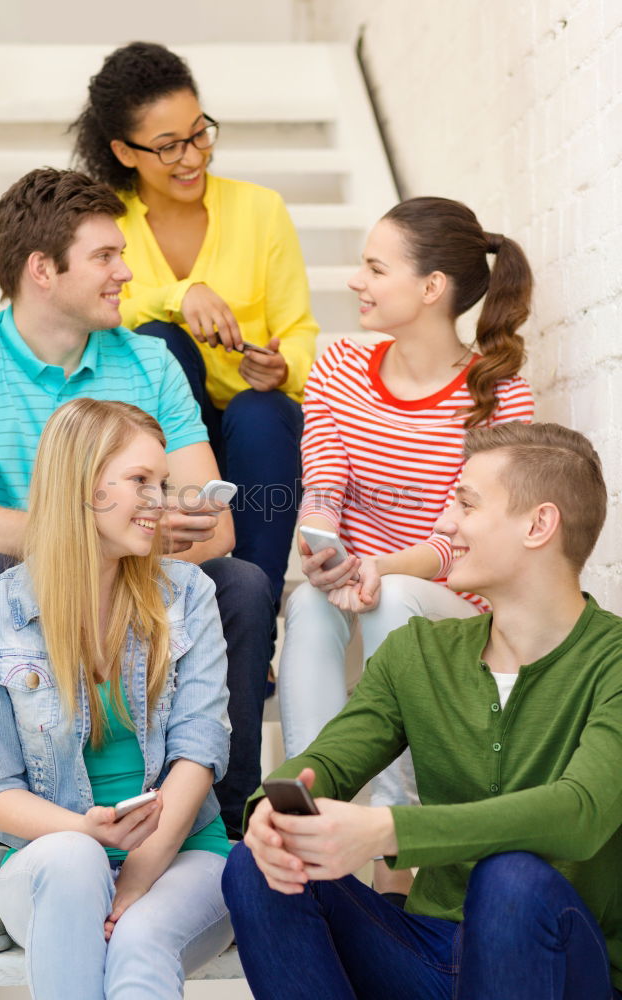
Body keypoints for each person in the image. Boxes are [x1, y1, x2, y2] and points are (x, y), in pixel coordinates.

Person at [0, 167, 274, 951]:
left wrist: (142, 526)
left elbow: (214, 524)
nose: (128, 270)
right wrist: (90, 528)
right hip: (27, 602)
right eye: (106, 255)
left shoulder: (146, 362)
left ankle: (216, 827)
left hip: (143, 586)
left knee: (240, 584)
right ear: (44, 269)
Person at [223, 421, 622, 1000]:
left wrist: (387, 829)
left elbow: (579, 812)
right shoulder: (420, 652)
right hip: (429, 954)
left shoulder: (612, 661)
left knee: (509, 879)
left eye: (465, 502)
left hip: (561, 968)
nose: (443, 522)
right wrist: (270, 809)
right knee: (257, 865)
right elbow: (327, 763)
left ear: (539, 525)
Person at [277, 196, 534, 893]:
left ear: (431, 288)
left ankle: (399, 837)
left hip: (454, 607)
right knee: (306, 609)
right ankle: (308, 808)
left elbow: (466, 541)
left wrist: (377, 567)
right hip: (358, 579)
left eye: (374, 267)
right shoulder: (336, 367)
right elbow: (323, 483)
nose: (356, 281)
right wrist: (324, 551)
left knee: (390, 597)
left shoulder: (496, 393)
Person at [0, 398, 234, 997]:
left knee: (140, 937)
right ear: (81, 486)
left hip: (184, 856)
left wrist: (135, 876)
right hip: (52, 863)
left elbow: (198, 753)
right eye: (140, 482)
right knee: (73, 858)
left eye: (164, 483)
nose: (160, 502)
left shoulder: (189, 594)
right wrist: (87, 833)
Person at [72, 41, 319, 607]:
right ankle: (176, 606)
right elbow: (95, 312)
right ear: (124, 151)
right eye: (168, 146)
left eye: (199, 132)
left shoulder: (261, 211)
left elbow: (301, 328)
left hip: (248, 439)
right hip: (158, 449)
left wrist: (283, 365)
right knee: (161, 339)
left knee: (266, 411)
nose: (192, 156)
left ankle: (253, 607)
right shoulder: (105, 219)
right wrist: (178, 295)